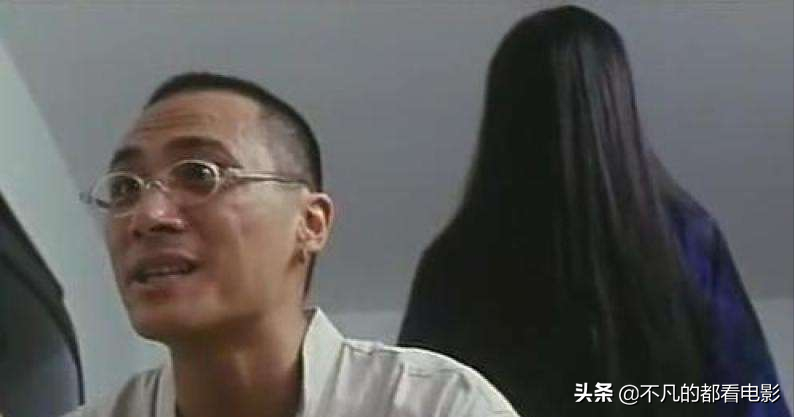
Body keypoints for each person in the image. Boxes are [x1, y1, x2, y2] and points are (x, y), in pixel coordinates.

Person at [398, 6, 789, 417]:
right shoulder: (687, 242)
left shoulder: (454, 265)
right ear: (617, 103)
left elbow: (409, 402)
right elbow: (752, 399)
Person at [68, 72, 518, 417]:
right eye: (125, 189)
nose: (148, 216)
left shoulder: (434, 404)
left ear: (310, 223)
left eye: (200, 174)